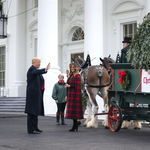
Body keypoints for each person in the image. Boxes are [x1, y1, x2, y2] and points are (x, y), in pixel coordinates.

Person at [25, 57, 50, 134]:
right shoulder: (32, 69)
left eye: (40, 62)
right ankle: (31, 129)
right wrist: (45, 69)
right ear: (34, 63)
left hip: (37, 94)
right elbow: (36, 73)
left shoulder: (36, 71)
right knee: (31, 112)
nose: (39, 64)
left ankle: (35, 127)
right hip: (32, 94)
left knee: (35, 112)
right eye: (38, 62)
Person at [65, 63, 83, 132]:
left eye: (73, 67)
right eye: (71, 67)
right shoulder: (71, 75)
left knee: (75, 112)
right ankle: (75, 126)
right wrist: (67, 95)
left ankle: (75, 126)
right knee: (73, 112)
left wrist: (69, 86)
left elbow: (77, 86)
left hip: (75, 96)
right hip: (70, 95)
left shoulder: (77, 76)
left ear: (76, 68)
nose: (72, 68)